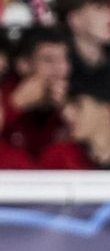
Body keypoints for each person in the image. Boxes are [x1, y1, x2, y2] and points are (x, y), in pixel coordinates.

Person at [1, 24, 71, 159]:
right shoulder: (4, 94)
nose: (59, 69)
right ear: (23, 64)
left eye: (64, 59)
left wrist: (67, 112)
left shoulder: (76, 100)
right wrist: (14, 104)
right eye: (48, 60)